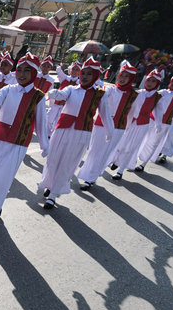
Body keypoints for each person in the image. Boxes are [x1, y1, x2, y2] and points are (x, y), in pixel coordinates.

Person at [0, 53, 49, 233]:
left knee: (3, 180)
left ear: (34, 73)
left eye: (26, 70)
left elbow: (41, 123)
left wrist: (45, 144)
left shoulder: (38, 96)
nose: (21, 74)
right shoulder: (9, 89)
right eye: (19, 69)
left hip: (18, 143)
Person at [37, 57, 116, 209]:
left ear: (95, 77)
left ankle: (53, 194)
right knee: (53, 159)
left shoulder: (100, 94)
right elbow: (62, 94)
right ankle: (49, 182)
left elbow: (105, 114)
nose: (85, 76)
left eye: (89, 74)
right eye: (83, 73)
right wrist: (54, 94)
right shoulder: (72, 89)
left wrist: (109, 132)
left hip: (81, 133)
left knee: (67, 163)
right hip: (62, 129)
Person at [76, 60, 141, 190]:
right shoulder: (109, 90)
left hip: (118, 129)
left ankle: (90, 178)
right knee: (94, 151)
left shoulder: (134, 95)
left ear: (131, 78)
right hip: (101, 125)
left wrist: (126, 128)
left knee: (105, 153)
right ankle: (88, 174)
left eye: (126, 76)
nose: (122, 79)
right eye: (121, 75)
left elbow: (132, 113)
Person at [107, 69, 164, 180]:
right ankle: (116, 160)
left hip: (142, 126)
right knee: (121, 144)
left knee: (131, 148)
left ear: (157, 84)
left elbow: (159, 112)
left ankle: (121, 170)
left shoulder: (157, 97)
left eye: (153, 81)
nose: (150, 83)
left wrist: (159, 124)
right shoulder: (137, 93)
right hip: (129, 123)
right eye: (149, 80)